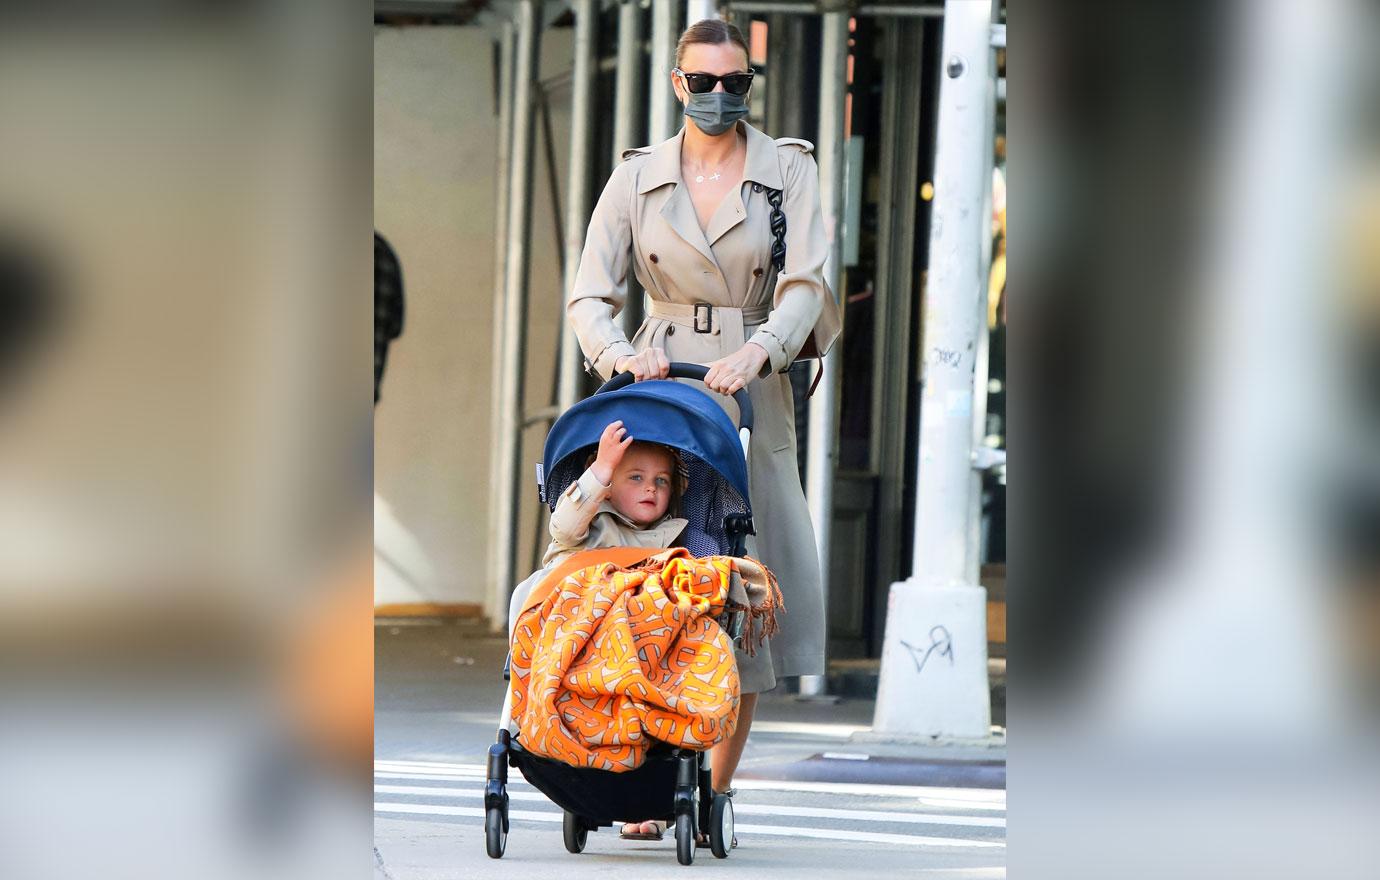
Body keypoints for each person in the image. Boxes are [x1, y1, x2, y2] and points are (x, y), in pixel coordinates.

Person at [565, 18, 841, 843]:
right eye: (705, 82)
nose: (721, 97)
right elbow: (589, 292)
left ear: (749, 84)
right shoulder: (638, 176)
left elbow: (811, 280)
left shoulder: (788, 169)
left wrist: (764, 348)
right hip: (659, 383)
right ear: (678, 84)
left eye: (737, 83)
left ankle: (710, 790)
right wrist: (616, 356)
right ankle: (648, 781)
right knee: (646, 580)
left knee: (744, 585)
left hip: (753, 385)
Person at [506, 420, 688, 641]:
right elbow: (563, 529)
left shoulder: (673, 537)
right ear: (608, 486)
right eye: (636, 477)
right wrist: (601, 470)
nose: (651, 487)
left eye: (661, 480)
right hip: (567, 620)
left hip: (631, 634)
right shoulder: (588, 517)